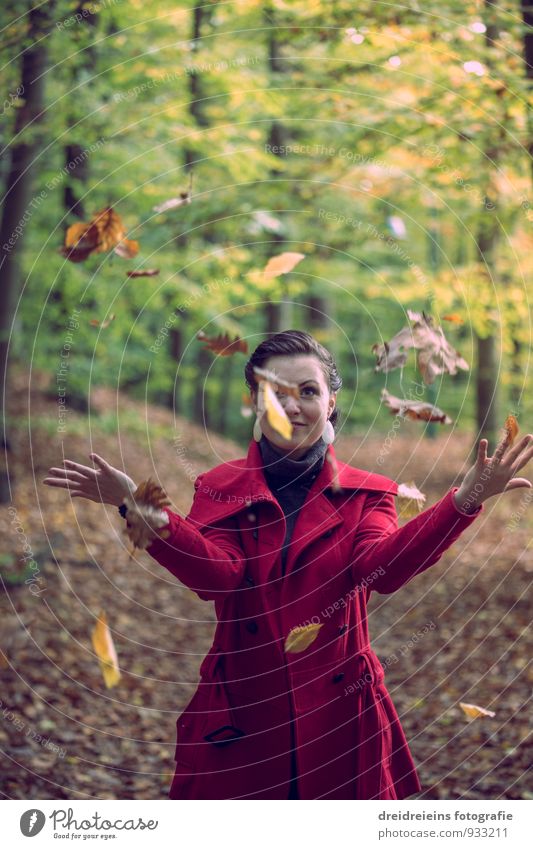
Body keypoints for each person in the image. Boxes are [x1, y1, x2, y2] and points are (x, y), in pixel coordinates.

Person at [43, 329, 533, 800]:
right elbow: (217, 577)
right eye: (275, 393)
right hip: (242, 716)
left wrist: (463, 502)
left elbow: (382, 569)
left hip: (340, 720)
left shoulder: (369, 492)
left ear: (331, 402)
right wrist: (140, 509)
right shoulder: (220, 485)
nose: (292, 406)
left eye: (307, 390)